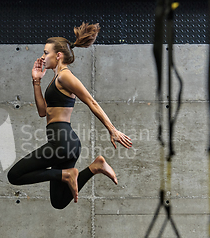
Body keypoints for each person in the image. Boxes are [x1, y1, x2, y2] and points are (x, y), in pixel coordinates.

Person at [7, 22, 132, 209]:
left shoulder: (65, 76)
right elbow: (43, 112)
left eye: (45, 52)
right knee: (59, 201)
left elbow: (91, 101)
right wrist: (36, 80)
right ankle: (95, 167)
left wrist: (112, 129)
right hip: (64, 143)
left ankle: (67, 174)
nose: (42, 57)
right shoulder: (55, 79)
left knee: (14, 175)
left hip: (62, 143)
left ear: (58, 55)